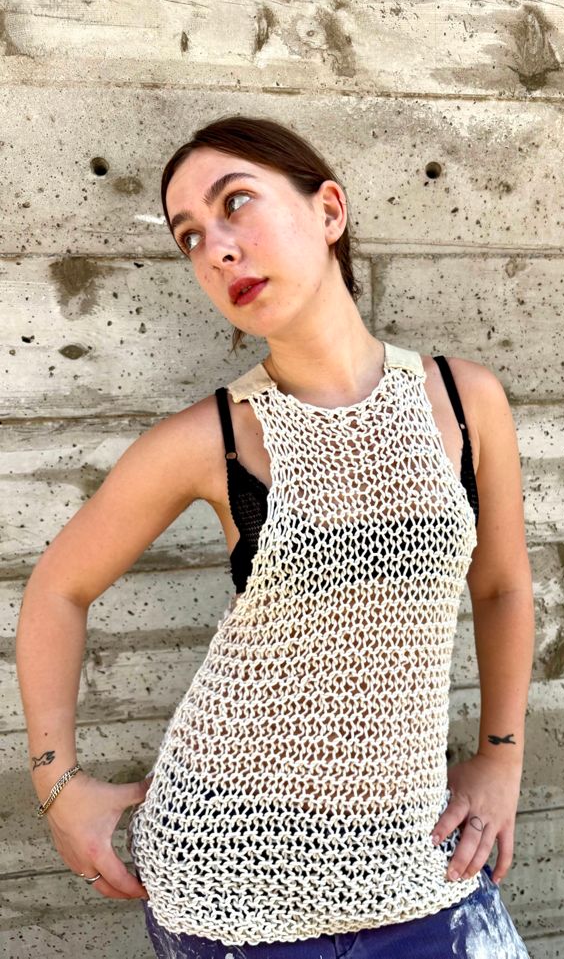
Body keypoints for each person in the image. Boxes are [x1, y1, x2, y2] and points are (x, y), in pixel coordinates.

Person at [16, 115, 535, 958]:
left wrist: (501, 756)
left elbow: (504, 585)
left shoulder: (465, 400)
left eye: (236, 203)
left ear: (328, 210)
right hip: (225, 873)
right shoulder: (210, 438)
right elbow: (57, 588)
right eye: (191, 236)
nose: (217, 249)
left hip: (417, 848)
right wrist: (58, 785)